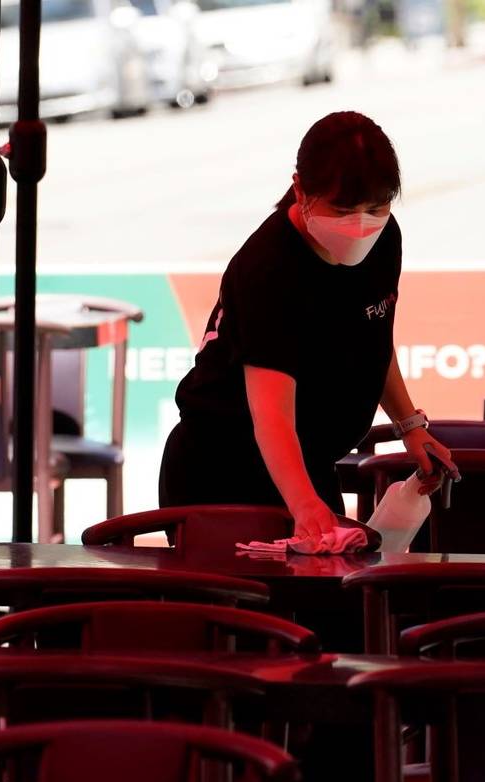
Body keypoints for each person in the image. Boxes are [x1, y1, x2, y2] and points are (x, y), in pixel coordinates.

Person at [161, 110, 454, 538]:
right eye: (341, 209)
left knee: (332, 592)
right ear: (300, 188)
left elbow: (375, 336)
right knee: (263, 602)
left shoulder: (384, 238)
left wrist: (410, 427)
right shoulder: (269, 269)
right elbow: (272, 416)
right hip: (225, 468)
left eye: (376, 207)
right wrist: (304, 506)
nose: (359, 226)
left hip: (309, 461)